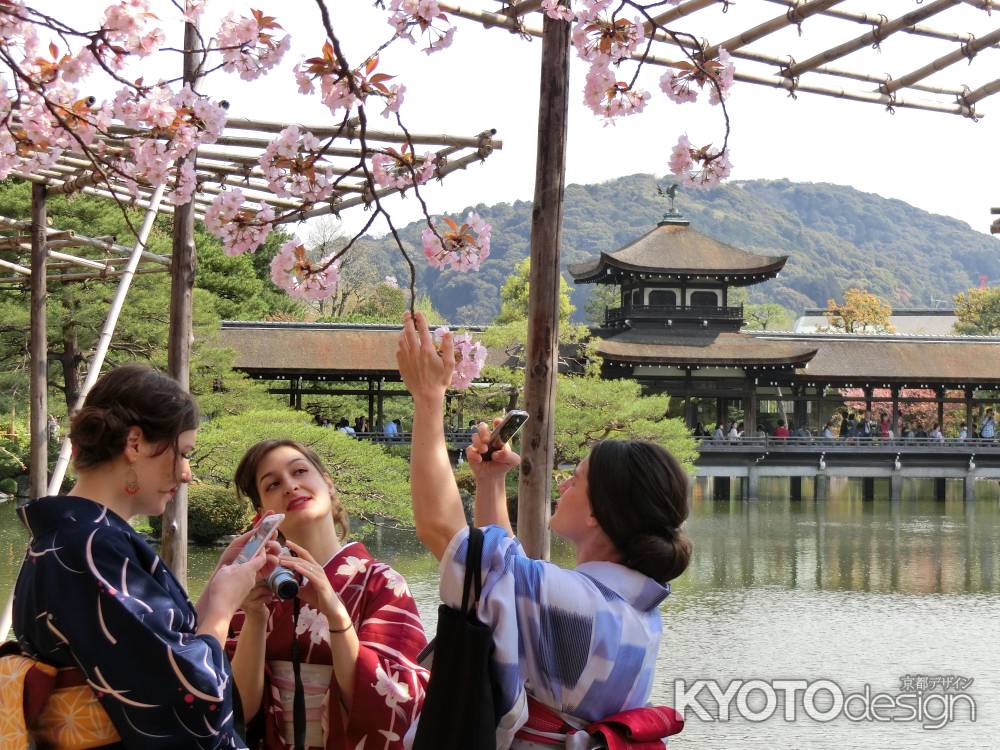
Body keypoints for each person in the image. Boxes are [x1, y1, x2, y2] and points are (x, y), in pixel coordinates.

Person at [396, 312, 691, 749]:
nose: (564, 484)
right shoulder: (634, 610)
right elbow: (502, 581)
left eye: (579, 479)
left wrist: (428, 397)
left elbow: (447, 536)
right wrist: (492, 483)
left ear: (599, 514)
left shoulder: (577, 603)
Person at [10, 364, 270, 749]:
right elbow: (189, 701)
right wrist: (221, 610)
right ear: (134, 444)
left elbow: (151, 651)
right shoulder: (91, 547)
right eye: (183, 453)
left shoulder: (79, 538)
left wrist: (216, 589)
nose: (186, 474)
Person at [229, 439, 428, 750]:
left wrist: (336, 615)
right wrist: (255, 617)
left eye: (299, 471)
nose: (291, 486)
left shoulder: (382, 583)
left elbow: (399, 697)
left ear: (328, 483)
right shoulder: (255, 587)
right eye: (273, 484)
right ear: (262, 512)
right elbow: (238, 709)